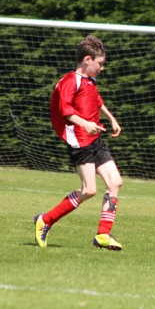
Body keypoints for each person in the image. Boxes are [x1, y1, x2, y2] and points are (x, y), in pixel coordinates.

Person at [34, 35, 124, 251]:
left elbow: (97, 102)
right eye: (100, 63)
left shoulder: (90, 81)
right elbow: (65, 111)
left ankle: (103, 235)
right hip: (80, 141)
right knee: (89, 190)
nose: (102, 68)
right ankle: (46, 220)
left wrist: (112, 119)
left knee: (115, 182)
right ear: (87, 60)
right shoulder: (69, 81)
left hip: (95, 139)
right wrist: (85, 124)